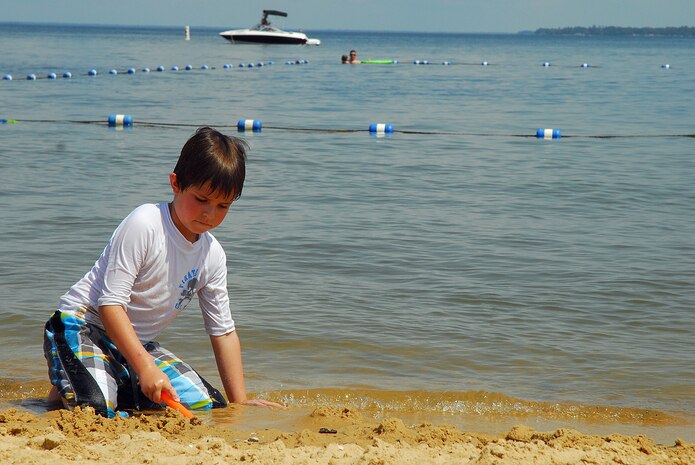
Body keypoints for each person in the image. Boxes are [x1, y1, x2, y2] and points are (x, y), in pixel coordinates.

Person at [43, 127, 283, 418]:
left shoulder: (213, 255)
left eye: (223, 205)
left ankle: (105, 376)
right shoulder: (145, 223)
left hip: (135, 345)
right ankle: (80, 381)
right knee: (95, 408)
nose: (210, 214)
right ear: (176, 183)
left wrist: (240, 400)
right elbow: (110, 305)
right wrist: (145, 366)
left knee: (212, 406)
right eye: (201, 199)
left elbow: (223, 331)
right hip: (82, 326)